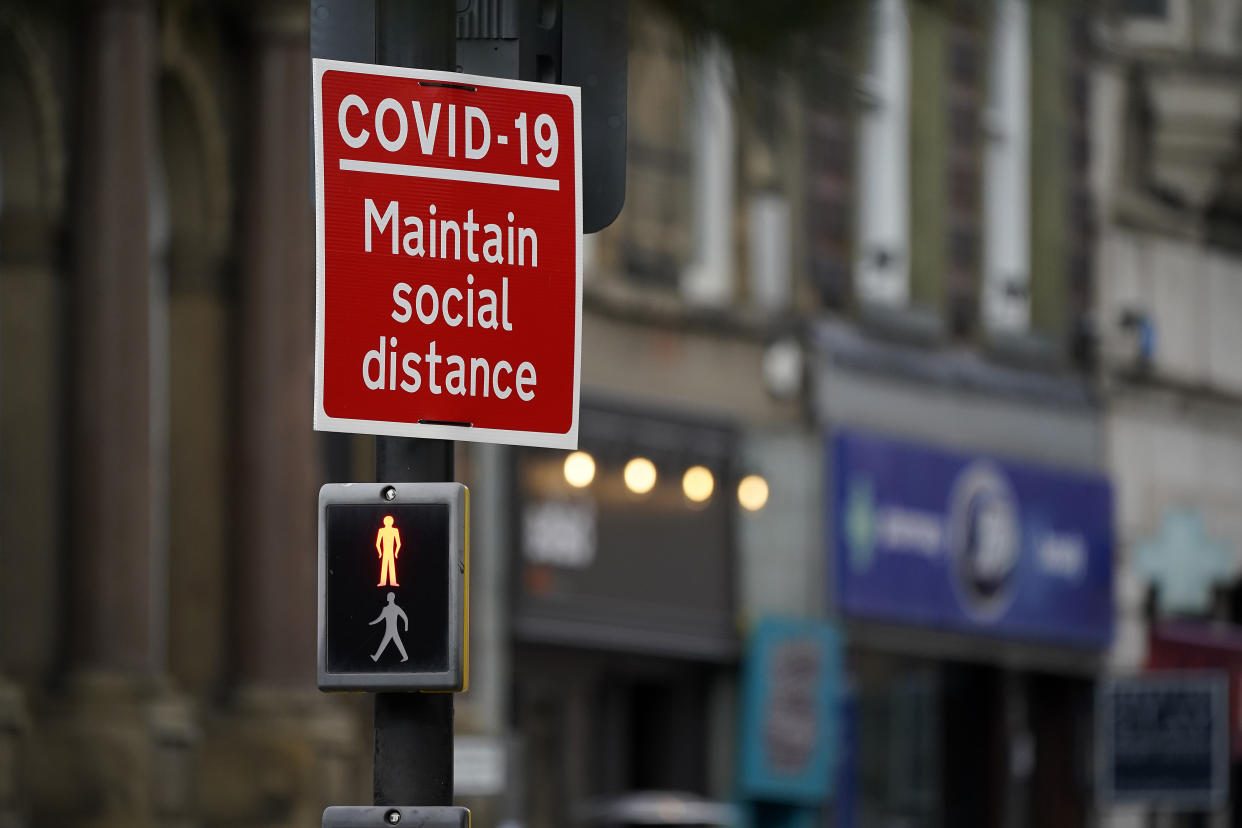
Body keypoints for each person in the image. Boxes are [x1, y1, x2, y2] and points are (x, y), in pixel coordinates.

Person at [369, 592, 409, 663]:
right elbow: (380, 618)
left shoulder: (396, 608)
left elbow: (405, 618)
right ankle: (405, 656)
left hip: (393, 630)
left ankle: (376, 657)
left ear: (391, 598)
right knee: (391, 643)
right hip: (389, 630)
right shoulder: (385, 609)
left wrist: (406, 628)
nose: (387, 597)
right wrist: (372, 623)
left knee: (388, 643)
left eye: (388, 596)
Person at [375, 515, 402, 586]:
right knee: (386, 566)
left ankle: (391, 582)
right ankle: (384, 582)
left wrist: (396, 552)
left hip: (389, 551)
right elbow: (377, 543)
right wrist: (380, 552)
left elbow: (399, 543)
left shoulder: (395, 530)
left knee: (390, 566)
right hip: (387, 551)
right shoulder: (381, 530)